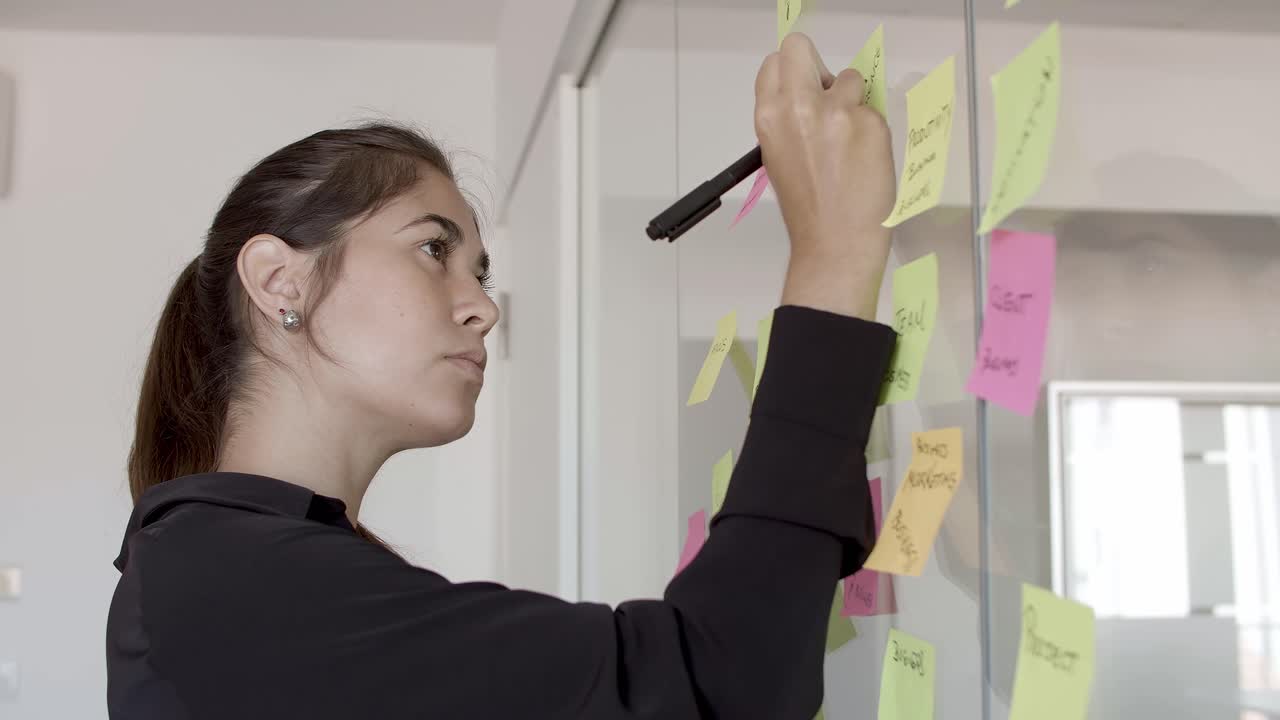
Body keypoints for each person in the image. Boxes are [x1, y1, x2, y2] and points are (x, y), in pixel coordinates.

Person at [106, 33, 898, 719]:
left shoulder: (227, 570)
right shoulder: (231, 581)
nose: (482, 309)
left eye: (480, 274)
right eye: (433, 249)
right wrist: (834, 256)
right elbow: (720, 685)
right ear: (280, 281)